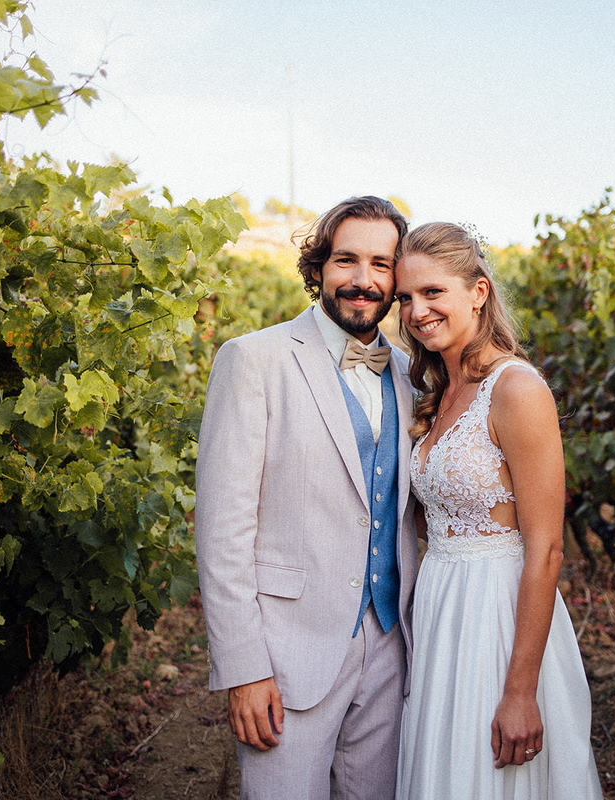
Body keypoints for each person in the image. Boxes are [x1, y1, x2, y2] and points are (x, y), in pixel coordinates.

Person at [195, 196, 419, 799]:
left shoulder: (410, 373)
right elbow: (223, 532)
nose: (363, 280)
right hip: (287, 653)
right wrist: (244, 670)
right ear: (318, 267)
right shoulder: (253, 360)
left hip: (390, 648)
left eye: (381, 263)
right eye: (346, 259)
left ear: (399, 278)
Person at [393, 222, 603, 799]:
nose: (416, 311)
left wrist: (519, 689)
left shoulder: (516, 389)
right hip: (440, 607)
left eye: (433, 292)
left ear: (479, 292)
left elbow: (548, 548)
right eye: (406, 298)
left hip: (497, 612)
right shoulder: (437, 389)